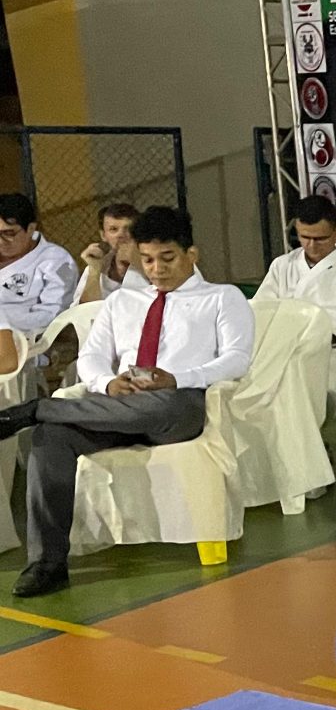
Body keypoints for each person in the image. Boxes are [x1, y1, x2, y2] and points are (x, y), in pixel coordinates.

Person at [0, 207, 253, 598]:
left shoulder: (221, 298)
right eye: (148, 260)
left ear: (191, 254)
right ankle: (48, 563)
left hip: (177, 408)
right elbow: (91, 357)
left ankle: (35, 408)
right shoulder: (122, 302)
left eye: (167, 259)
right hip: (116, 410)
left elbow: (237, 359)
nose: (156, 270)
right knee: (50, 438)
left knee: (162, 405)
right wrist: (107, 382)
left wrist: (177, 378)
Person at [253, 194, 336, 415]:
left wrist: (329, 335)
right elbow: (261, 310)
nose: (311, 245)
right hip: (284, 351)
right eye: (304, 237)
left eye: (320, 239)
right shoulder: (282, 266)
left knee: (302, 382)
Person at [0, 194, 79, 375]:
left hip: (23, 340)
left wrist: (5, 319)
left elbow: (55, 315)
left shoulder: (57, 261)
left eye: (9, 234)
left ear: (31, 228)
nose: (1, 241)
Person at [74, 201, 143, 306]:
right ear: (103, 235)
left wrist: (137, 262)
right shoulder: (95, 266)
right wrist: (94, 271)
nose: (121, 235)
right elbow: (84, 310)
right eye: (113, 229)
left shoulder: (152, 263)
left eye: (128, 229)